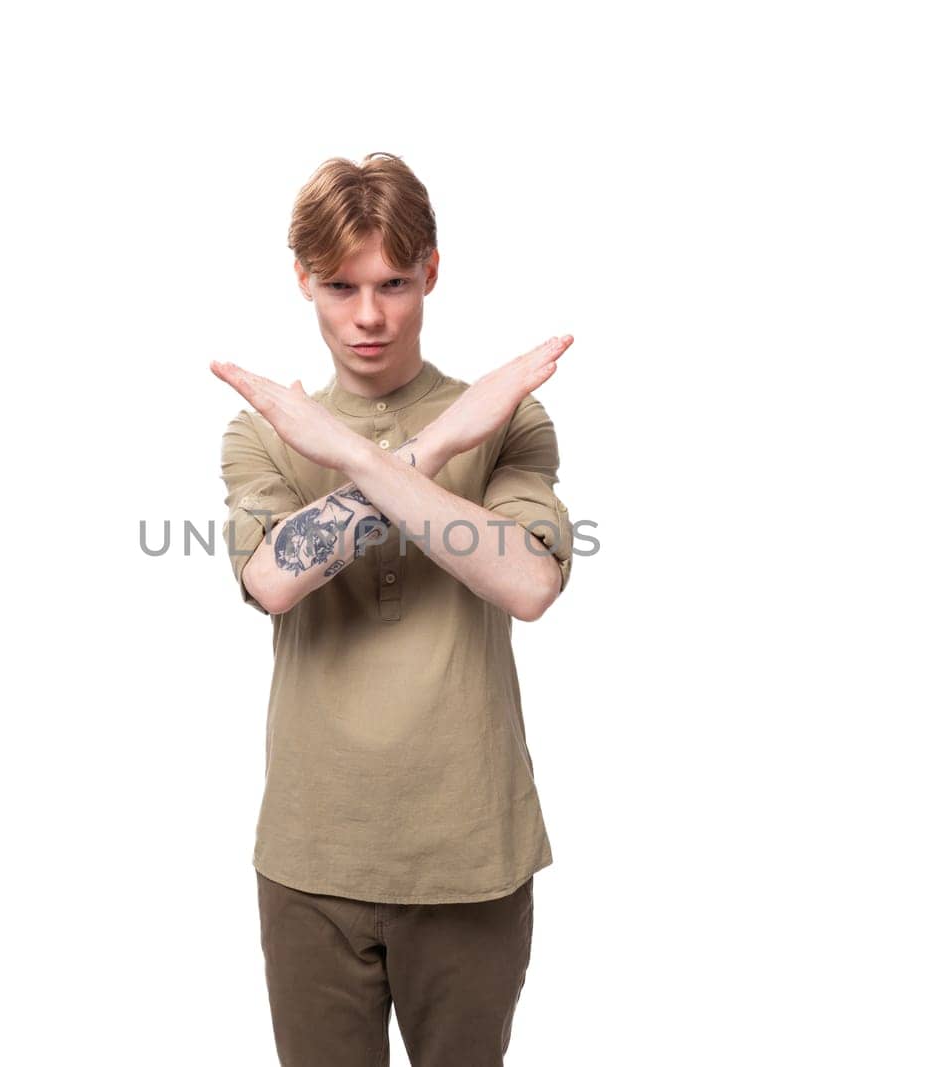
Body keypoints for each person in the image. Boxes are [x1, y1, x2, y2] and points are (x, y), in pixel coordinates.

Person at [211, 152, 576, 1066]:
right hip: (311, 854)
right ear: (302, 278)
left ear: (432, 273)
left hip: (469, 854)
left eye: (393, 283)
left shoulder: (508, 420)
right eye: (339, 286)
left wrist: (401, 446)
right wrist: (432, 448)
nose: (368, 315)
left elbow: (530, 584)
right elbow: (274, 580)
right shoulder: (265, 429)